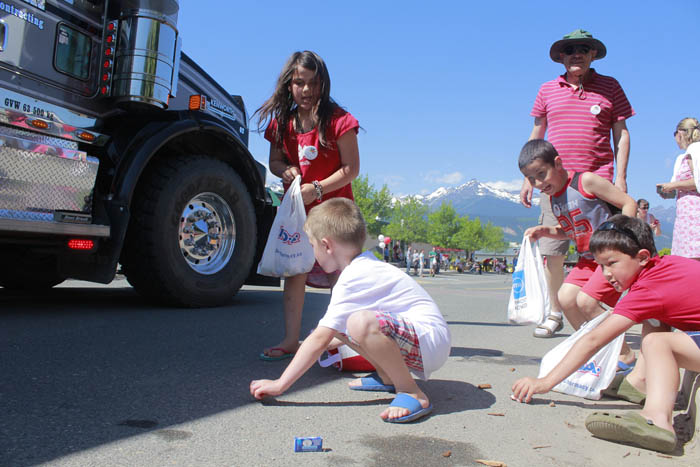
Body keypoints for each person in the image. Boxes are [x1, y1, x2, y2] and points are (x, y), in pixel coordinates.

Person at [250, 198, 451, 423]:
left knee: (360, 323)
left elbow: (319, 339)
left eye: (312, 245)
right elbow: (329, 335)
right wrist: (305, 346)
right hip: (425, 340)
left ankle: (411, 391)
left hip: (429, 342)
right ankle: (387, 376)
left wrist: (280, 384)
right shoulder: (361, 267)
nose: (313, 253)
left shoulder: (354, 277)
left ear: (326, 245)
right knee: (340, 325)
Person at [512, 214, 700, 453]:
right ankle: (641, 383)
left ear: (642, 257)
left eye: (612, 263)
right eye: (601, 265)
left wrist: (544, 382)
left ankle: (657, 420)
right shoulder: (666, 266)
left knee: (657, 342)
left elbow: (593, 340)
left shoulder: (647, 290)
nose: (606, 273)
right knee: (655, 321)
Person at [520, 29, 635, 339]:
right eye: (569, 50)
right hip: (551, 182)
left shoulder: (610, 86)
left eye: (583, 49)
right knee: (552, 249)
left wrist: (621, 176)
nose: (576, 54)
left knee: (604, 245)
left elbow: (621, 133)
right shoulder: (547, 89)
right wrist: (528, 180)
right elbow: (537, 132)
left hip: (598, 180)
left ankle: (602, 308)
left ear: (593, 54)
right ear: (561, 57)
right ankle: (556, 311)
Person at [255, 51, 360, 361]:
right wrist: (284, 170)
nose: (306, 90)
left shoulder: (340, 120)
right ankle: (291, 340)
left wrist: (317, 188)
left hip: (336, 212)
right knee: (295, 271)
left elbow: (351, 169)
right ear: (289, 84)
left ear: (323, 84)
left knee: (339, 277)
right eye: (299, 83)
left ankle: (343, 339)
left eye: (313, 83)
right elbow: (275, 161)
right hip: (298, 212)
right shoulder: (282, 122)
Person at [519, 140, 637, 368]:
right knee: (564, 298)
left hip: (610, 258)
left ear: (558, 163)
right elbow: (573, 230)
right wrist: (546, 231)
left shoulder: (585, 182)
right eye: (531, 179)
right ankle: (593, 350)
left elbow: (628, 203)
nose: (538, 183)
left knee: (586, 302)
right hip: (587, 259)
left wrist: (620, 239)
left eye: (541, 174)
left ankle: (625, 356)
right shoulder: (554, 197)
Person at [657, 117, 700, 260]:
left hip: (695, 213)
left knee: (693, 258)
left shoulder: (694, 151)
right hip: (685, 214)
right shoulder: (683, 156)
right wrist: (669, 190)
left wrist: (673, 185)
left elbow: (697, 181)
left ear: (680, 134)